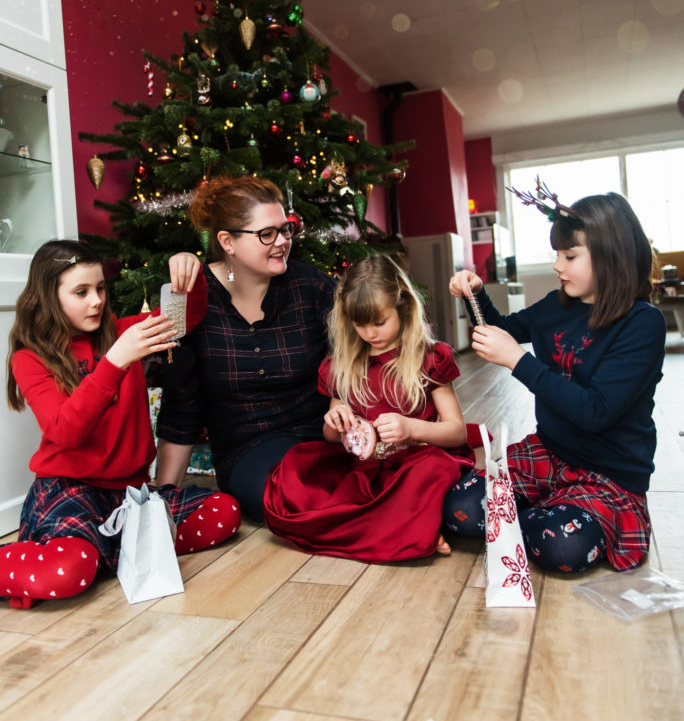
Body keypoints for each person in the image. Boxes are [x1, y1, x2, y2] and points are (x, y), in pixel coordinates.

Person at [3, 239, 241, 610]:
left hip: (130, 494)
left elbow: (185, 317)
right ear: (49, 296)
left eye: (99, 288)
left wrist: (188, 273)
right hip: (72, 490)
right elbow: (65, 431)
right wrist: (115, 362)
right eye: (81, 292)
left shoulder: (124, 332)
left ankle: (101, 548)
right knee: (68, 573)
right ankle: (91, 551)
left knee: (223, 512)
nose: (96, 300)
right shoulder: (31, 358)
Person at [445, 187, 666, 573]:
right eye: (557, 255)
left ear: (610, 256)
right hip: (550, 453)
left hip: (609, 473)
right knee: (460, 510)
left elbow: (595, 412)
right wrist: (475, 294)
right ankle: (551, 503)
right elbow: (502, 328)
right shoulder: (556, 304)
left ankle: (553, 508)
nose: (557, 266)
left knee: (561, 547)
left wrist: (518, 361)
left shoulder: (642, 323)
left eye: (570, 256)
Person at [263, 253, 476, 562]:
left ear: (402, 307)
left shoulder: (429, 358)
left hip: (415, 460)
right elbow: (332, 437)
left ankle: (408, 527)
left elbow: (456, 432)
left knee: (433, 469)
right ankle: (410, 526)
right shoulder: (341, 365)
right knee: (295, 467)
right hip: (364, 467)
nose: (371, 333)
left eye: (379, 322)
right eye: (360, 324)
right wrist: (336, 421)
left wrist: (411, 427)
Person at [155, 176, 337, 521]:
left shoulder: (311, 285)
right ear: (227, 241)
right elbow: (181, 410)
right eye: (267, 234)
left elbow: (362, 351)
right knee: (295, 499)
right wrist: (164, 502)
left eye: (286, 229)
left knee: (358, 479)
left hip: (323, 436)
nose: (283, 241)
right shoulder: (190, 298)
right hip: (249, 451)